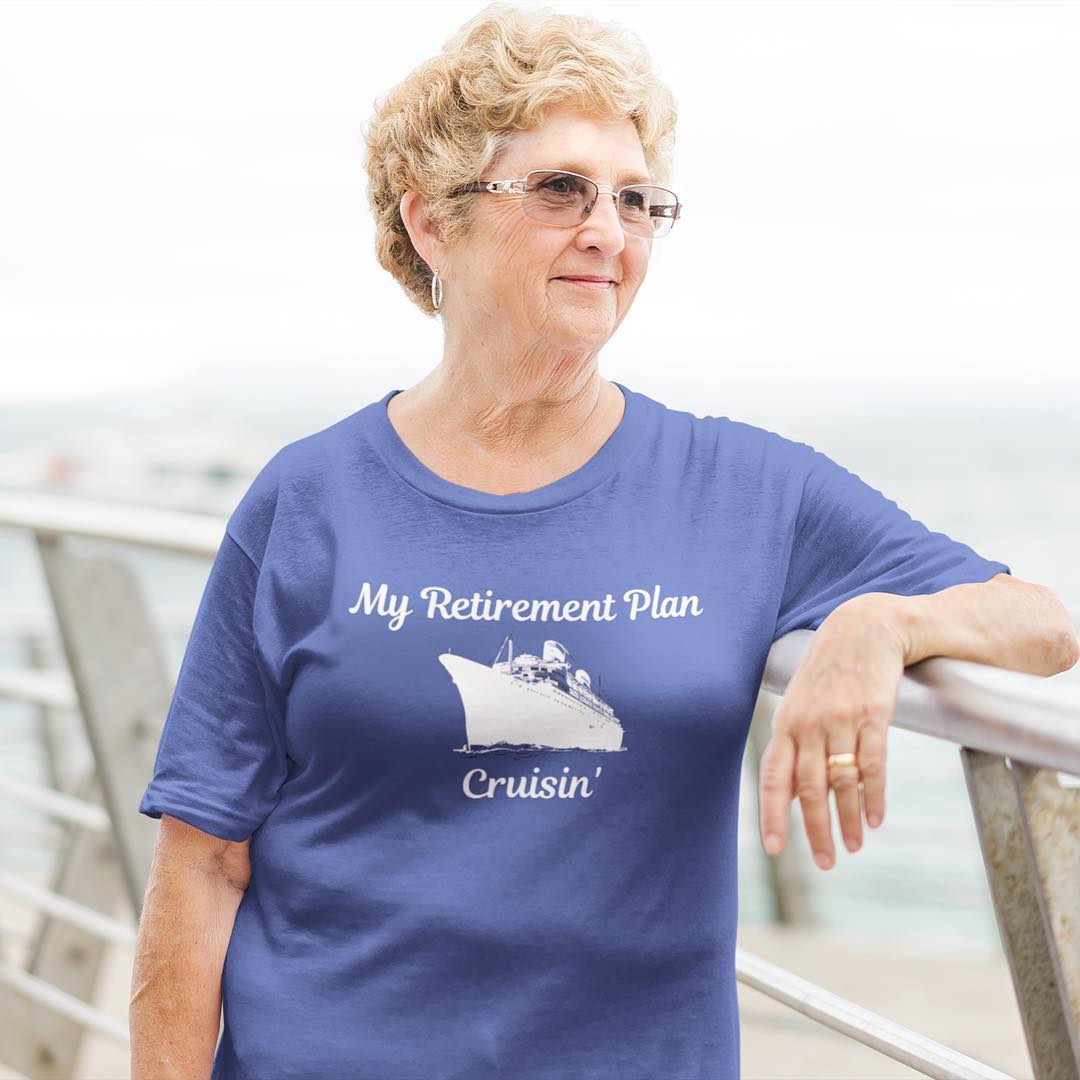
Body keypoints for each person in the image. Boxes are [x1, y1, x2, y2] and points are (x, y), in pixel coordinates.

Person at [128, 4, 1078, 1079]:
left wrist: (885, 620)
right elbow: (202, 859)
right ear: (434, 224)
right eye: (560, 190)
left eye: (637, 199)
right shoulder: (307, 499)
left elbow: (1043, 625)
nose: (609, 230)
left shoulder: (741, 488)